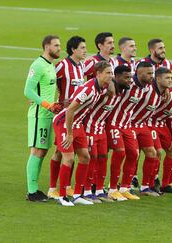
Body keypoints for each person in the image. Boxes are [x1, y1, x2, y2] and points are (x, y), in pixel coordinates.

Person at [53, 61, 113, 206]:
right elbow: (70, 110)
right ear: (98, 74)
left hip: (77, 123)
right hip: (64, 122)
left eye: (111, 73)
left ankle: (78, 194)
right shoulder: (89, 89)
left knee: (85, 157)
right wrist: (69, 133)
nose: (111, 76)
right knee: (68, 159)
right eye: (108, 73)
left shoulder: (100, 87)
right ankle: (62, 196)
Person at [83, 65, 134, 202]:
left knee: (103, 158)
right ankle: (86, 191)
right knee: (92, 158)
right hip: (89, 128)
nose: (130, 80)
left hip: (101, 128)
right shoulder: (105, 90)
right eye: (127, 78)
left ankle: (99, 190)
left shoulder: (121, 90)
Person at [106, 61, 153, 201]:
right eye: (149, 73)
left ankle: (125, 188)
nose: (152, 76)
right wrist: (111, 83)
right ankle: (112, 188)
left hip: (127, 125)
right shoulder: (127, 83)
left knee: (134, 153)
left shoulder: (145, 88)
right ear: (138, 73)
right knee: (120, 152)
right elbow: (112, 79)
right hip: (113, 123)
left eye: (152, 73)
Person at [48, 36, 87, 200]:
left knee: (62, 151)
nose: (85, 51)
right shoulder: (62, 66)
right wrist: (52, 102)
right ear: (73, 50)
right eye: (82, 48)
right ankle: (52, 188)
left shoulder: (82, 66)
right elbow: (48, 81)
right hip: (63, 116)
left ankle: (66, 187)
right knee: (63, 153)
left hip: (76, 117)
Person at [24, 35, 61, 202]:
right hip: (39, 114)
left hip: (47, 115)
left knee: (42, 151)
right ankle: (32, 192)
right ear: (47, 47)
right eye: (56, 45)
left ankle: (34, 189)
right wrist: (47, 105)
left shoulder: (50, 65)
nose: (59, 48)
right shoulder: (38, 65)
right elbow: (28, 91)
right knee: (37, 151)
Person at [130, 67, 172, 196]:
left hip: (143, 125)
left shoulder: (162, 93)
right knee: (133, 153)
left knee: (153, 152)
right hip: (130, 123)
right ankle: (124, 185)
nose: (170, 81)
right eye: (167, 78)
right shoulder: (147, 90)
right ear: (158, 79)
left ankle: (145, 187)